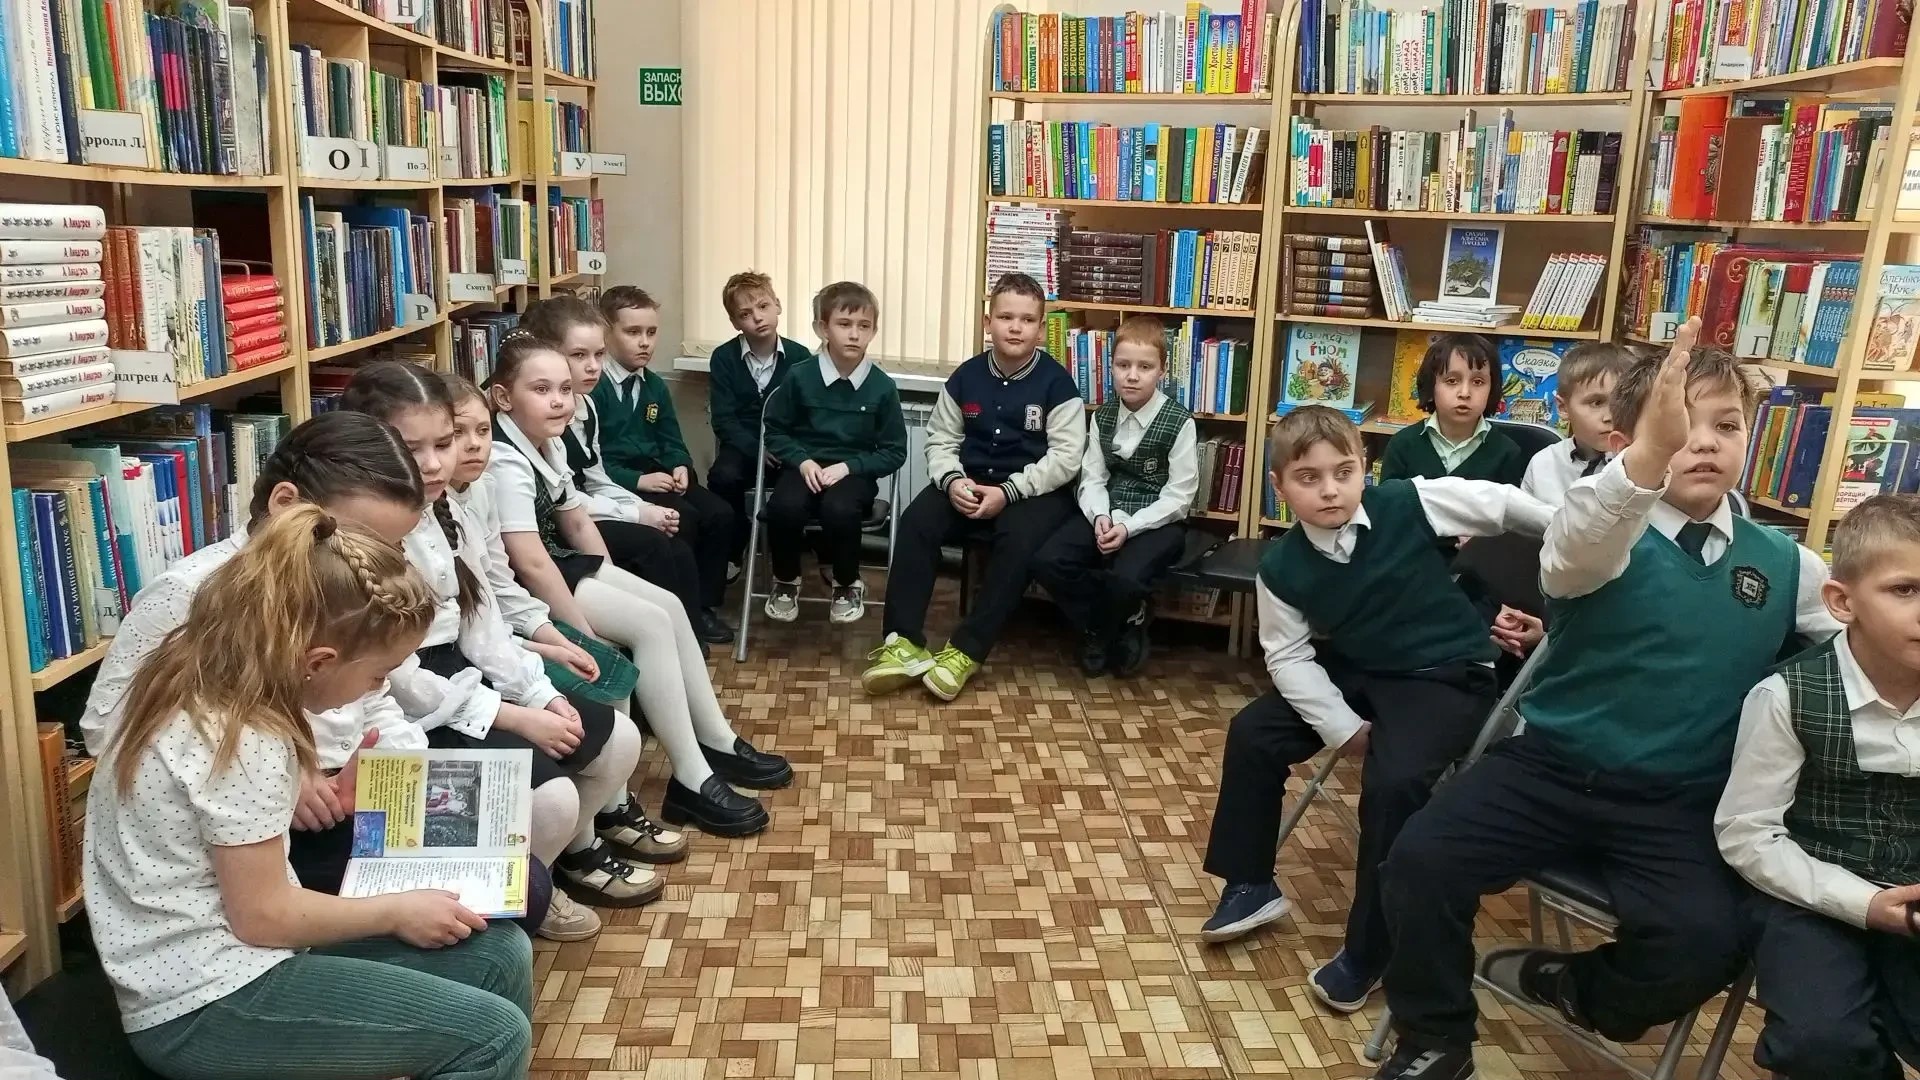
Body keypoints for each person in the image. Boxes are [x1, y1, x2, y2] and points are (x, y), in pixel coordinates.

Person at [1368, 320, 1842, 1080]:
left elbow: (1865, 643)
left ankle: (1574, 986)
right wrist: (1647, 459)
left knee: (1709, 939)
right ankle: (1436, 1038)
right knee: (1418, 863)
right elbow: (1576, 549)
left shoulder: (1788, 565)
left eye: (1726, 426)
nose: (1703, 443)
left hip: (1679, 797)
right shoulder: (1597, 530)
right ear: (1627, 442)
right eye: (1678, 427)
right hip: (1550, 768)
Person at [87, 505, 533, 1080]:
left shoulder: (206, 674)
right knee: (493, 1037)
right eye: (378, 675)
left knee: (500, 953)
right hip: (204, 1002)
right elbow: (264, 917)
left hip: (236, 961)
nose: (376, 689)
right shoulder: (243, 736)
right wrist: (396, 911)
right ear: (317, 662)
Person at [1199, 405, 1554, 1017]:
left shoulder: (1408, 501)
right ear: (1279, 487)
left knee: (1394, 781)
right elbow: (1287, 655)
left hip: (1444, 673)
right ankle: (1249, 882)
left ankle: (1374, 950)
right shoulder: (1280, 567)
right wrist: (1342, 727)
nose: (1330, 490)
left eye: (1343, 472)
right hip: (1363, 665)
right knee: (1254, 730)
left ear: (1364, 467)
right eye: (1308, 478)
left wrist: (1571, 528)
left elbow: (1498, 503)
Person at [340, 362, 658, 931]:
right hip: (416, 702)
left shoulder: (446, 508)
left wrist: (536, 693)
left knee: (617, 741)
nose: (435, 464)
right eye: (413, 449)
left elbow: (482, 616)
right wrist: (510, 714)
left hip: (461, 676)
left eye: (443, 443)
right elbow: (394, 678)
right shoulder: (360, 537)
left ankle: (537, 875)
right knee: (551, 799)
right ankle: (510, 900)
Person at [485, 334, 791, 837]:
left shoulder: (549, 442)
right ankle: (691, 777)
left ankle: (715, 739)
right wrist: (585, 635)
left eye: (565, 389)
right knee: (649, 624)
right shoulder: (504, 460)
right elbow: (531, 563)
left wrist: (616, 580)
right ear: (504, 397)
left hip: (564, 564)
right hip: (532, 582)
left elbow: (576, 522)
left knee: (667, 604)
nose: (559, 400)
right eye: (541, 390)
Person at [1716, 494, 1920, 1080]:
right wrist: (1864, 904)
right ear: (1841, 601)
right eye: (1905, 589)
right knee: (1821, 1041)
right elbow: (1748, 834)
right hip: (1811, 896)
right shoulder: (1787, 696)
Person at [446, 374, 688, 867]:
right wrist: (544, 648)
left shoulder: (479, 489)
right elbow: (510, 587)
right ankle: (579, 848)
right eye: (454, 435)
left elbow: (500, 587)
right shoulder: (482, 483)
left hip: (505, 634)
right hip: (475, 663)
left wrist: (553, 636)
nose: (471, 445)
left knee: (602, 664)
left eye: (481, 431)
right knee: (591, 682)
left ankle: (610, 811)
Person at [861, 271, 1086, 701]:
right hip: (968, 483)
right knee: (917, 521)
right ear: (988, 322)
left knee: (1018, 542)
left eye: (1027, 320)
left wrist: (1009, 492)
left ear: (1041, 329)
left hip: (1033, 492)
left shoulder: (1059, 385)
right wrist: (952, 482)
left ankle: (966, 650)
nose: (1015, 328)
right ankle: (903, 643)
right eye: (1005, 317)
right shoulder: (966, 376)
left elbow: (1065, 459)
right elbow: (941, 439)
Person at [518, 296, 729, 645]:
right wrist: (636, 512)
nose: (593, 367)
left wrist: (642, 507)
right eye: (579, 355)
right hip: (558, 529)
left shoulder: (586, 406)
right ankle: (663, 639)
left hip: (586, 508)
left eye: (598, 355)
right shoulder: (549, 418)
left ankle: (688, 636)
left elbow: (595, 475)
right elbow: (567, 501)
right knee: (656, 544)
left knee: (684, 537)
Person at [1031, 316, 1197, 677]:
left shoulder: (1179, 421)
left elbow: (1179, 497)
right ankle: (1117, 622)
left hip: (1159, 521)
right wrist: (1100, 517)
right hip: (1107, 511)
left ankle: (1102, 632)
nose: (1132, 376)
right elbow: (1092, 477)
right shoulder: (1102, 416)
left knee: (1125, 578)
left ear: (1162, 370)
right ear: (1111, 367)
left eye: (1144, 367)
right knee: (1048, 560)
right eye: (1123, 365)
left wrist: (1129, 528)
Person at [760, 281, 907, 624]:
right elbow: (775, 431)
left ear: (873, 331)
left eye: (864, 326)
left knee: (839, 509)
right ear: (822, 328)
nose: (854, 334)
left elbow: (894, 451)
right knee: (784, 507)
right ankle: (786, 580)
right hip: (804, 467)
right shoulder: (799, 377)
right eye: (844, 324)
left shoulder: (882, 387)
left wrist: (849, 466)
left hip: (853, 474)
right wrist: (801, 460)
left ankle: (846, 582)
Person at [594, 286, 736, 638]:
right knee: (682, 518)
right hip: (617, 480)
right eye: (632, 332)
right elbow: (592, 463)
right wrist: (637, 481)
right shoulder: (594, 387)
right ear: (606, 333)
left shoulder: (654, 385)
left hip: (656, 471)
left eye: (651, 332)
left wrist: (679, 465)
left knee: (720, 514)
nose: (645, 342)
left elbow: (671, 438)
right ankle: (679, 612)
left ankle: (703, 605)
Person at [706, 270, 815, 576]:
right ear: (735, 322)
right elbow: (724, 419)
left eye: (763, 306)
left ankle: (793, 558)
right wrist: (757, 450)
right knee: (722, 477)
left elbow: (806, 417)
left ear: (777, 305)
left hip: (787, 447)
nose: (757, 317)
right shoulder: (724, 357)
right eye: (745, 313)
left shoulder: (800, 357)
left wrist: (783, 447)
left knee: (794, 493)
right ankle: (735, 543)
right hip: (743, 444)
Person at [1377, 332, 1526, 485]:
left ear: (1492, 390)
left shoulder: (1507, 453)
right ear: (1430, 387)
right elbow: (1388, 499)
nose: (1465, 393)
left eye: (1478, 382)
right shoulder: (1401, 445)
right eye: (1452, 381)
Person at [1520, 342, 1634, 507]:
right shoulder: (1542, 464)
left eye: (1622, 402)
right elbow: (1525, 520)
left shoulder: (1644, 466)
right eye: (1596, 402)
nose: (1610, 416)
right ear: (1563, 408)